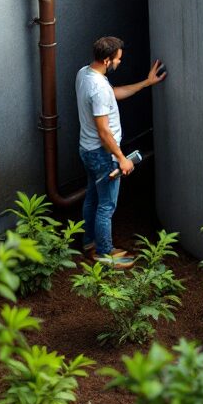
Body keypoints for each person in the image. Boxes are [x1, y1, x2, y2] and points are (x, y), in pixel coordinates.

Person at [75, 36, 166, 268]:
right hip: (102, 154)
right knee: (106, 206)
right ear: (107, 60)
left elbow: (114, 93)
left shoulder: (85, 73)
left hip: (87, 150)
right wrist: (122, 158)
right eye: (117, 59)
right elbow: (104, 132)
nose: (119, 62)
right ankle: (105, 254)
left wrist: (147, 83)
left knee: (92, 197)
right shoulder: (98, 89)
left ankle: (89, 243)